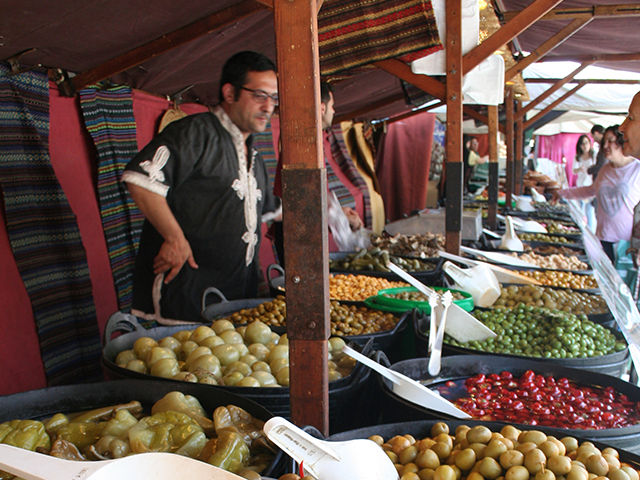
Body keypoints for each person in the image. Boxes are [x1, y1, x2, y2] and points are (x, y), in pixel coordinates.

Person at [123, 51, 282, 322]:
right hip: (185, 298)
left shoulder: (253, 157)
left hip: (233, 302)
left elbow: (271, 209)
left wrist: (330, 214)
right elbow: (141, 180)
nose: (268, 107)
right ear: (230, 93)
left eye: (274, 98)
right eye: (259, 95)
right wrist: (175, 238)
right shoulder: (196, 133)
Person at [272, 82, 364, 265]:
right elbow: (299, 204)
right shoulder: (303, 143)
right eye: (332, 106)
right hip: (296, 233)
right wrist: (337, 214)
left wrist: (339, 212)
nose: (334, 111)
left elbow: (313, 197)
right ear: (322, 108)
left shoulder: (315, 140)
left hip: (304, 229)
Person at [554, 125, 640, 263]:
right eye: (604, 141)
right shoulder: (605, 170)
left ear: (622, 141)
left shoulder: (637, 169)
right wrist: (562, 193)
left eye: (610, 141)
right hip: (604, 240)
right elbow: (590, 190)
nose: (605, 145)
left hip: (627, 245)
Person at [572, 134, 596, 232]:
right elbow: (573, 170)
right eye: (582, 144)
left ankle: (591, 232)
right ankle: (581, 230)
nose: (585, 146)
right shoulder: (578, 157)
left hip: (591, 186)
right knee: (580, 210)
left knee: (590, 211)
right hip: (581, 185)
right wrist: (579, 169)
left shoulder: (594, 155)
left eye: (586, 143)